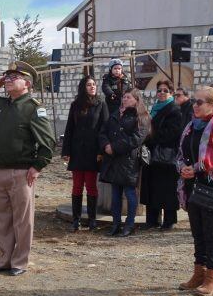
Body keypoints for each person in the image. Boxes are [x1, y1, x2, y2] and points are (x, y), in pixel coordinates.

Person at [0, 61, 55, 276]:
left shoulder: (33, 108)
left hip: (21, 172)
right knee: (2, 219)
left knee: (22, 220)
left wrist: (37, 166)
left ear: (27, 83)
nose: (8, 80)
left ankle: (20, 261)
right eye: (6, 77)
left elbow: (48, 142)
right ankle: (4, 259)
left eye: (13, 77)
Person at [176, 86, 213, 296]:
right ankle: (198, 273)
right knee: (198, 233)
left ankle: (212, 277)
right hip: (192, 187)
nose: (195, 105)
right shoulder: (191, 127)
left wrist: (199, 167)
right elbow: (181, 152)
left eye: (200, 102)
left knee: (212, 234)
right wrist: (182, 167)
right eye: (194, 101)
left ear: (212, 105)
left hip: (212, 188)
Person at [99, 89, 150, 237]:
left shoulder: (141, 116)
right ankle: (115, 224)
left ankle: (129, 224)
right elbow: (103, 132)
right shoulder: (116, 113)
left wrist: (114, 148)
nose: (124, 99)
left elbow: (136, 139)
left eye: (128, 97)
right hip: (113, 160)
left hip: (128, 161)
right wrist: (105, 146)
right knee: (115, 194)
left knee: (129, 193)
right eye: (123, 97)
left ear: (136, 99)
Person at [61, 75, 108, 231]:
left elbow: (104, 129)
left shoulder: (101, 104)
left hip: (93, 152)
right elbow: (69, 129)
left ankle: (92, 220)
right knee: (77, 187)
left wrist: (101, 151)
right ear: (83, 87)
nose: (92, 87)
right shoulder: (76, 105)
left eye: (94, 84)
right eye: (89, 84)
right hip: (77, 151)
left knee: (91, 187)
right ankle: (76, 220)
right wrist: (66, 151)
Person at [140, 80, 182, 230]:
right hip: (153, 154)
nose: (162, 93)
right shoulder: (156, 108)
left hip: (166, 155)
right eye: (159, 90)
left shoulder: (174, 109)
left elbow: (173, 133)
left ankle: (169, 221)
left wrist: (152, 135)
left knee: (167, 189)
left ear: (171, 92)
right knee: (152, 188)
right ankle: (152, 220)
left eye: (165, 90)